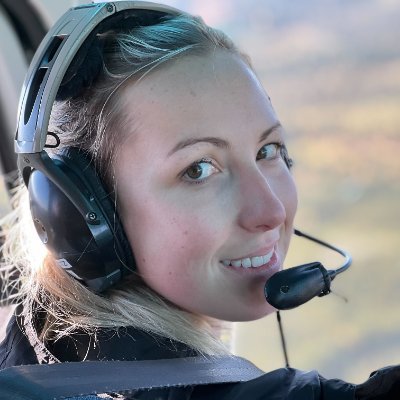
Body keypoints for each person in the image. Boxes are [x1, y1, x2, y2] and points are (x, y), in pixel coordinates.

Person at [0, 2, 398, 399]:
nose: (272, 212)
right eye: (198, 169)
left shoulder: (27, 358)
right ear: (83, 219)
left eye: (268, 150)